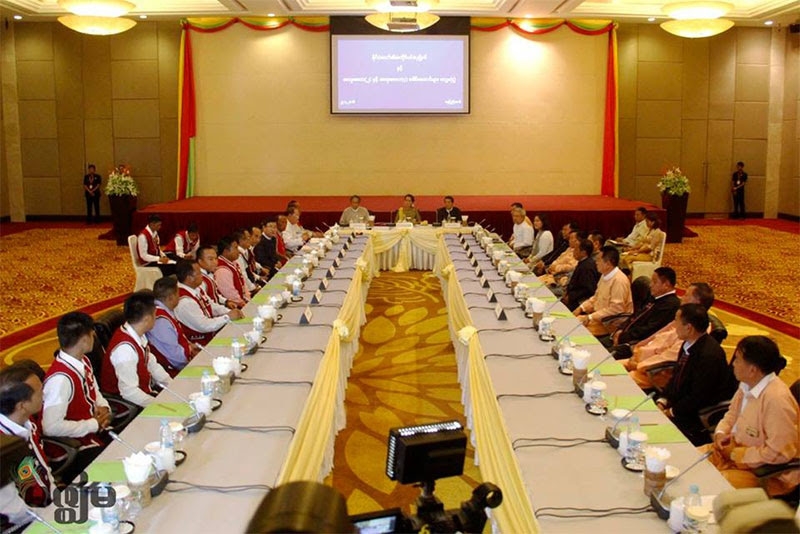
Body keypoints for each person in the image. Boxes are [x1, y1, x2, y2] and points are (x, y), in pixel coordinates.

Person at [704, 336, 798, 497]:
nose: (733, 364)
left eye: (737, 360)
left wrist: (735, 454)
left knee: (708, 487)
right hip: (730, 452)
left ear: (752, 370)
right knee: (685, 461)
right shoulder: (747, 384)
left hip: (764, 473)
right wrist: (720, 434)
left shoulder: (777, 400)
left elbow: (779, 453)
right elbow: (731, 415)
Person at [42, 312, 111, 483]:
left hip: (91, 434)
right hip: (73, 448)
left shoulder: (83, 361)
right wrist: (92, 424)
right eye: (92, 334)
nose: (94, 337)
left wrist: (104, 407)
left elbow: (94, 391)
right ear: (85, 340)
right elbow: (50, 427)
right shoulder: (60, 380)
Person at [656, 303, 738, 445]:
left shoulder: (709, 356)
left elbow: (698, 397)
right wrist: (663, 401)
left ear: (689, 328)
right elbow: (676, 377)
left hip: (695, 415)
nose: (674, 325)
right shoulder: (688, 343)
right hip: (679, 404)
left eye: (676, 321)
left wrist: (671, 412)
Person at [620, 282, 716, 390]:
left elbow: (669, 357)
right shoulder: (683, 317)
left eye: (686, 295)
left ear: (697, 302)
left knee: (614, 382)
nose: (682, 298)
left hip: (653, 372)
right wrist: (637, 352)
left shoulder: (695, 329)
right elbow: (657, 337)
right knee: (608, 367)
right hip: (642, 359)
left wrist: (638, 365)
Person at [0, 361, 53, 529]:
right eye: (40, 391)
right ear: (22, 405)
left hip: (48, 503)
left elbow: (43, 468)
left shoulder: (27, 423)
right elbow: (15, 511)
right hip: (29, 523)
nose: (45, 393)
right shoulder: (4, 449)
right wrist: (53, 515)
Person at [101, 291, 171, 408]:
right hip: (130, 406)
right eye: (155, 314)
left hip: (145, 395)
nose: (156, 317)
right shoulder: (125, 350)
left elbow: (152, 364)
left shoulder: (137, 333)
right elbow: (129, 393)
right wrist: (160, 405)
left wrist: (172, 385)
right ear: (147, 319)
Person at [174, 260, 242, 344]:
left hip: (212, 334)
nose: (202, 276)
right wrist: (227, 317)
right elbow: (204, 325)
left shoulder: (196, 288)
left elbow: (211, 305)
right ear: (189, 278)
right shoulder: (185, 302)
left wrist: (229, 312)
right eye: (199, 273)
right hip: (202, 344)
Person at [611, 266, 681, 347]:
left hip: (637, 343)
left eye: (654, 282)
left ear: (666, 285)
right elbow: (636, 315)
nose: (650, 285)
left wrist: (622, 337)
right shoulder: (654, 296)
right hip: (625, 335)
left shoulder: (670, 304)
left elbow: (649, 329)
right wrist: (621, 329)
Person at [573, 246, 633, 336]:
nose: (596, 262)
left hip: (611, 324)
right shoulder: (605, 274)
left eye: (598, 260)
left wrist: (590, 317)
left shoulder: (619, 281)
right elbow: (596, 297)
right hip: (598, 317)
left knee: (576, 331)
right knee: (571, 322)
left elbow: (616, 310)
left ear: (608, 264)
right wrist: (581, 308)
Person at [148, 277, 200, 377]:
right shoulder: (161, 321)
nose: (179, 297)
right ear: (170, 298)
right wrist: (192, 355)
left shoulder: (166, 310)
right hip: (172, 372)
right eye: (178, 294)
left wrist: (190, 346)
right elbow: (175, 357)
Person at [196, 245, 239, 310]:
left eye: (216, 258)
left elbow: (215, 295)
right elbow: (208, 304)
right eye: (210, 259)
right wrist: (227, 311)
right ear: (200, 261)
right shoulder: (199, 280)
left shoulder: (209, 274)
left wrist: (226, 301)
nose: (215, 262)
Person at [561, 239, 599, 311]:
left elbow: (588, 289)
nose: (573, 252)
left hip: (579, 302)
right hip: (572, 296)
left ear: (583, 252)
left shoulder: (587, 267)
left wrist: (570, 296)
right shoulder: (583, 262)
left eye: (576, 250)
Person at [216, 236, 250, 306]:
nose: (238, 251)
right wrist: (244, 303)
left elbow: (243, 283)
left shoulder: (234, 262)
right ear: (226, 251)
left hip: (243, 301)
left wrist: (248, 298)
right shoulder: (222, 270)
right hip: (235, 306)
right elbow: (230, 295)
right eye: (235, 248)